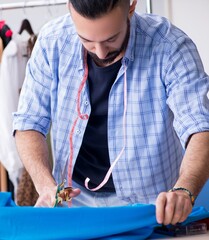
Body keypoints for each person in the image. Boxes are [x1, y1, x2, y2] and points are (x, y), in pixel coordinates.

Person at [13, 0, 209, 226]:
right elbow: (29, 123)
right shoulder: (51, 41)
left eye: (111, 39)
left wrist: (185, 190)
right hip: (72, 203)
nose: (100, 52)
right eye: (86, 40)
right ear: (70, 8)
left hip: (150, 208)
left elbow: (199, 127)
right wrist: (44, 185)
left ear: (131, 6)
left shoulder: (171, 46)